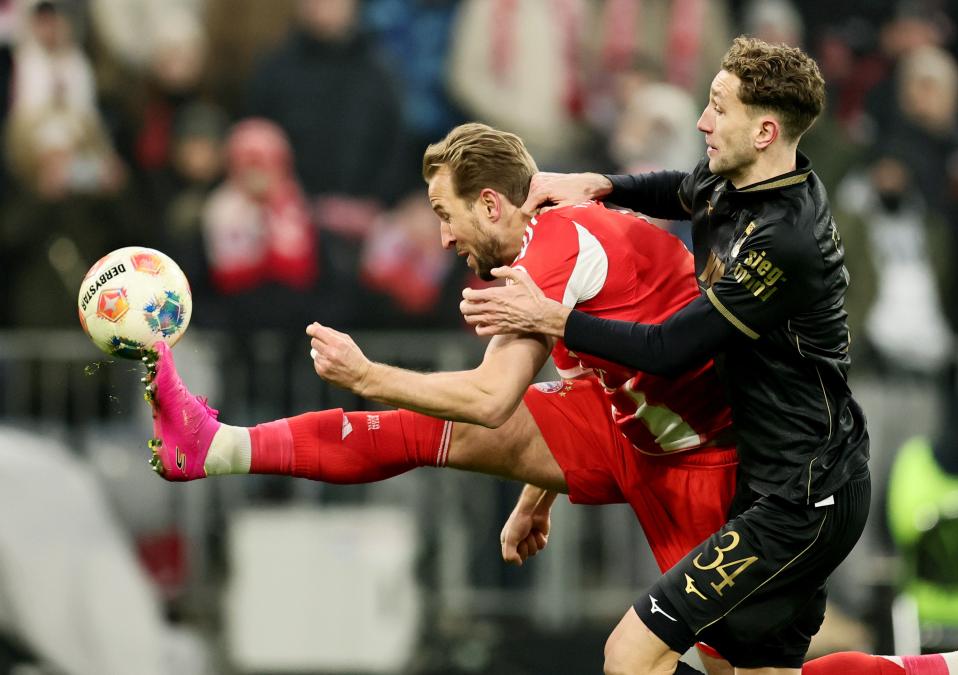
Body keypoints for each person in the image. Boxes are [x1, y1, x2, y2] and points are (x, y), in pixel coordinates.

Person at [460, 37, 958, 675]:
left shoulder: (784, 239)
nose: (702, 121)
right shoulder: (737, 174)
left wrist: (555, 320)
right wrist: (601, 184)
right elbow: (681, 189)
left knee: (629, 656)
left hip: (804, 498)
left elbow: (670, 348)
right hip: (779, 480)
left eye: (717, 107)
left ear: (765, 130)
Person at [144, 122, 740, 675]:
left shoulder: (557, 245)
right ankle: (214, 446)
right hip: (626, 425)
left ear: (488, 203)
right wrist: (540, 492)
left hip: (704, 464)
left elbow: (489, 398)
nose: (443, 235)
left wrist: (367, 375)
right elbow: (581, 372)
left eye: (444, 213)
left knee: (742, 672)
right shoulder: (533, 250)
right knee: (423, 429)